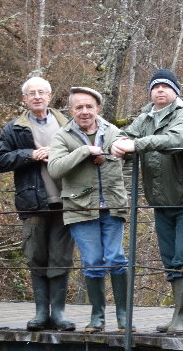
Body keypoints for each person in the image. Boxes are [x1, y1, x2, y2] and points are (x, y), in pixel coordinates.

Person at [111, 69, 183, 336]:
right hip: (160, 200)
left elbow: (174, 139)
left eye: (165, 86)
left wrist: (135, 144)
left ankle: (179, 317)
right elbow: (124, 135)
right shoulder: (145, 117)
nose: (160, 90)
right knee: (168, 258)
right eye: (155, 87)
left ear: (175, 91)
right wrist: (119, 143)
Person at [0, 76, 76, 331]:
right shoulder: (13, 128)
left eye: (42, 92)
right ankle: (41, 312)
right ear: (24, 99)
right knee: (36, 256)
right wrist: (29, 155)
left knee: (60, 257)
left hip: (66, 199)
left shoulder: (68, 123)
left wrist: (59, 154)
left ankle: (58, 313)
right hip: (32, 202)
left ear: (50, 96)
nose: (37, 96)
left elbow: (86, 150)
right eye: (32, 93)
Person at [48, 87, 131, 333]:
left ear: (98, 109)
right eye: (79, 107)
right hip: (80, 208)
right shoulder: (62, 136)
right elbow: (55, 168)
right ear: (71, 110)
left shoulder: (113, 131)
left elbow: (126, 158)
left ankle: (124, 316)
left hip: (112, 205)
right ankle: (97, 316)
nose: (84, 112)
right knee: (93, 261)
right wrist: (85, 151)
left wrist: (113, 152)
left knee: (116, 258)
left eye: (89, 107)